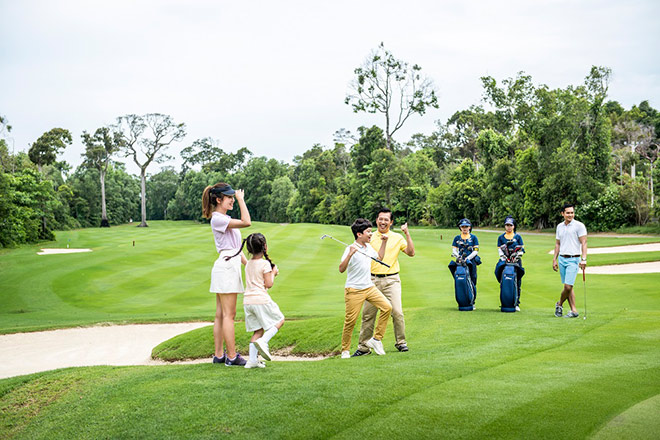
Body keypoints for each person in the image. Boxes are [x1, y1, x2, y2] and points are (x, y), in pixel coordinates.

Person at [202, 183, 251, 366]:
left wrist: (249, 266)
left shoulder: (223, 218)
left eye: (233, 197)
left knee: (221, 314)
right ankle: (231, 356)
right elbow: (247, 222)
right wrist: (241, 200)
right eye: (229, 197)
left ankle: (218, 355)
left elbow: (235, 249)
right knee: (228, 315)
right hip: (227, 267)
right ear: (218, 199)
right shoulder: (218, 219)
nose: (232, 200)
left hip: (229, 263)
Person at [354, 208, 415, 356]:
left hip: (391, 279)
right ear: (376, 220)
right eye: (380, 219)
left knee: (397, 312)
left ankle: (401, 342)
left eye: (386, 219)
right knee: (368, 315)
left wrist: (407, 233)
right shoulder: (369, 236)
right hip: (371, 280)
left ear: (391, 222)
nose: (383, 222)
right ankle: (363, 347)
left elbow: (411, 253)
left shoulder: (397, 237)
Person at [227, 233, 285, 369]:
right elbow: (269, 284)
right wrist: (273, 272)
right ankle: (264, 342)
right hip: (261, 299)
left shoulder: (248, 265)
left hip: (248, 302)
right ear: (265, 246)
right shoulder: (265, 264)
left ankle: (252, 361)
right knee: (279, 320)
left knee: (257, 331)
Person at [339, 218, 392, 359]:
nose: (371, 234)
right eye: (368, 232)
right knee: (351, 321)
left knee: (387, 307)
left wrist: (384, 242)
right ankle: (345, 350)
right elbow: (341, 269)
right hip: (354, 290)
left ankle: (376, 339)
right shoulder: (349, 248)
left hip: (369, 287)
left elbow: (380, 257)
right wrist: (350, 254)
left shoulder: (368, 248)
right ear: (359, 234)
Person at [552, 203, 587, 318]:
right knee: (569, 286)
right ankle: (574, 310)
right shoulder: (559, 227)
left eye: (572, 212)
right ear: (562, 213)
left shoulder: (579, 226)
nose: (570, 215)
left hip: (574, 259)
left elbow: (584, 243)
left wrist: (584, 259)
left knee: (568, 286)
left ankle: (559, 304)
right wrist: (554, 259)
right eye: (568, 213)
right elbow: (557, 244)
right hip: (562, 259)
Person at [494, 216, 525, 311]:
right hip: (505, 262)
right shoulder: (501, 238)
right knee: (505, 281)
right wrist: (504, 258)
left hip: (516, 262)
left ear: (514, 226)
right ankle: (505, 301)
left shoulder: (518, 237)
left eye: (510, 225)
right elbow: (500, 251)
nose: (508, 227)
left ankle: (516, 303)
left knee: (517, 282)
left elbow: (521, 250)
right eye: (507, 225)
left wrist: (517, 256)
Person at [448, 218, 481, 305]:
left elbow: (476, 250)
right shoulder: (457, 238)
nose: (465, 228)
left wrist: (468, 258)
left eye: (466, 226)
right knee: (461, 280)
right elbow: (454, 250)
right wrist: (458, 256)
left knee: (472, 280)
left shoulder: (474, 238)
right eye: (463, 227)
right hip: (460, 262)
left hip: (471, 261)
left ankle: (472, 301)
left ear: (469, 227)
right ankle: (462, 300)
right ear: (460, 228)